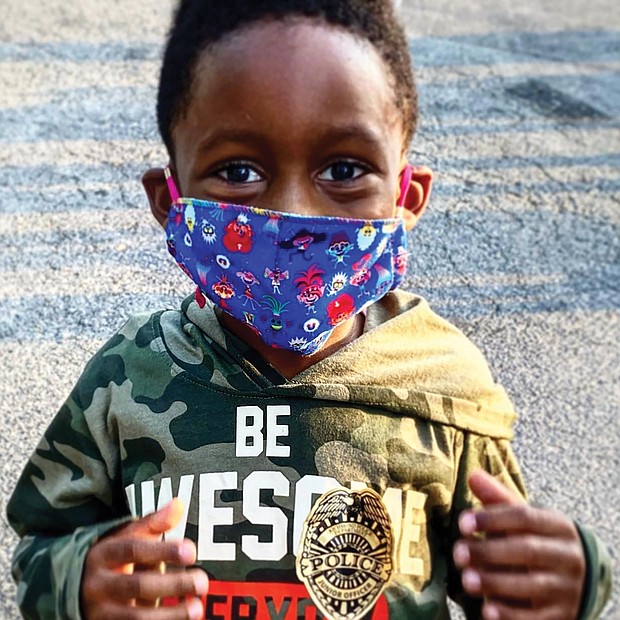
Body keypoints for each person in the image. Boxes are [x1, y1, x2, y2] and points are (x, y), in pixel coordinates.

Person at [7, 1, 612, 619]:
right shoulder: (127, 376)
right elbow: (40, 544)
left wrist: (576, 584)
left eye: (344, 169)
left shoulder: (448, 389)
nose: (294, 213)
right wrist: (77, 584)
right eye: (238, 171)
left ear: (407, 198)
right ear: (172, 200)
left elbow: (510, 576)